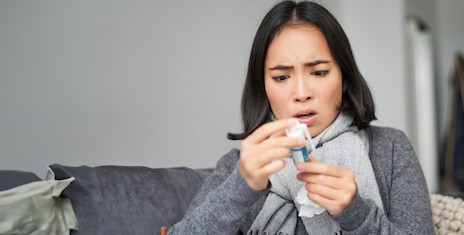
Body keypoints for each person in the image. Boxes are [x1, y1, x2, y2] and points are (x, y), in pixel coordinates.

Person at [168, 1, 434, 234]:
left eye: (318, 73)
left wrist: (356, 213)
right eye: (282, 77)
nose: (301, 93)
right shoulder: (240, 168)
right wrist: (241, 187)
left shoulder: (390, 149)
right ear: (263, 87)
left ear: (343, 77)